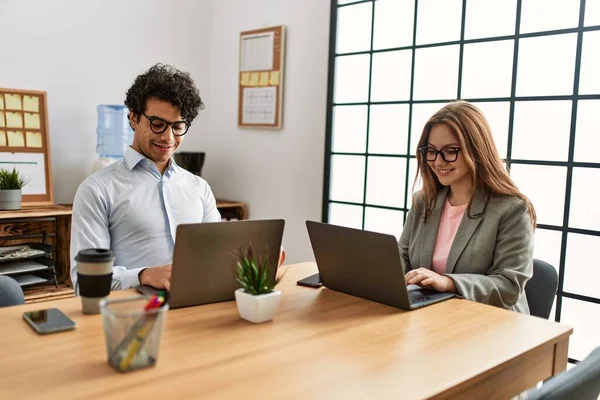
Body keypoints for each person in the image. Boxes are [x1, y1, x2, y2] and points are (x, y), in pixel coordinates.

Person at [70, 63, 220, 293]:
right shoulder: (97, 189)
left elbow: (217, 258)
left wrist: (249, 264)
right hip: (130, 315)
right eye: (158, 125)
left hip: (194, 309)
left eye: (178, 126)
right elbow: (85, 281)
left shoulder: (199, 188)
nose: (168, 137)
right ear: (133, 118)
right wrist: (143, 275)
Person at [400, 101, 536, 313]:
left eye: (450, 151)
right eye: (432, 151)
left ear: (476, 150)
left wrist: (449, 283)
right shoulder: (424, 202)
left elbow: (509, 286)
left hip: (491, 325)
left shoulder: (512, 210)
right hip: (434, 315)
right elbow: (404, 256)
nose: (438, 161)